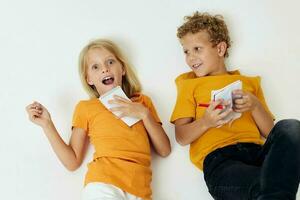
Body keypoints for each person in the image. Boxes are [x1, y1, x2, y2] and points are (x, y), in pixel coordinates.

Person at [170, 12, 300, 200]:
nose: (191, 58)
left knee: (292, 127)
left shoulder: (249, 83)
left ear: (220, 49)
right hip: (221, 163)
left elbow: (269, 132)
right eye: (186, 51)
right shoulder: (188, 84)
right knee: (266, 184)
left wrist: (254, 105)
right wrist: (206, 122)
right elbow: (181, 137)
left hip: (260, 155)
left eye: (197, 49)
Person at [26, 38, 171, 200]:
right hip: (103, 184)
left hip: (141, 191)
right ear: (89, 79)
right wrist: (47, 125)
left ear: (122, 69)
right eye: (96, 67)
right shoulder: (86, 108)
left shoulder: (142, 103)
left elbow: (164, 150)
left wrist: (144, 114)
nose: (105, 69)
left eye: (110, 62)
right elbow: (72, 162)